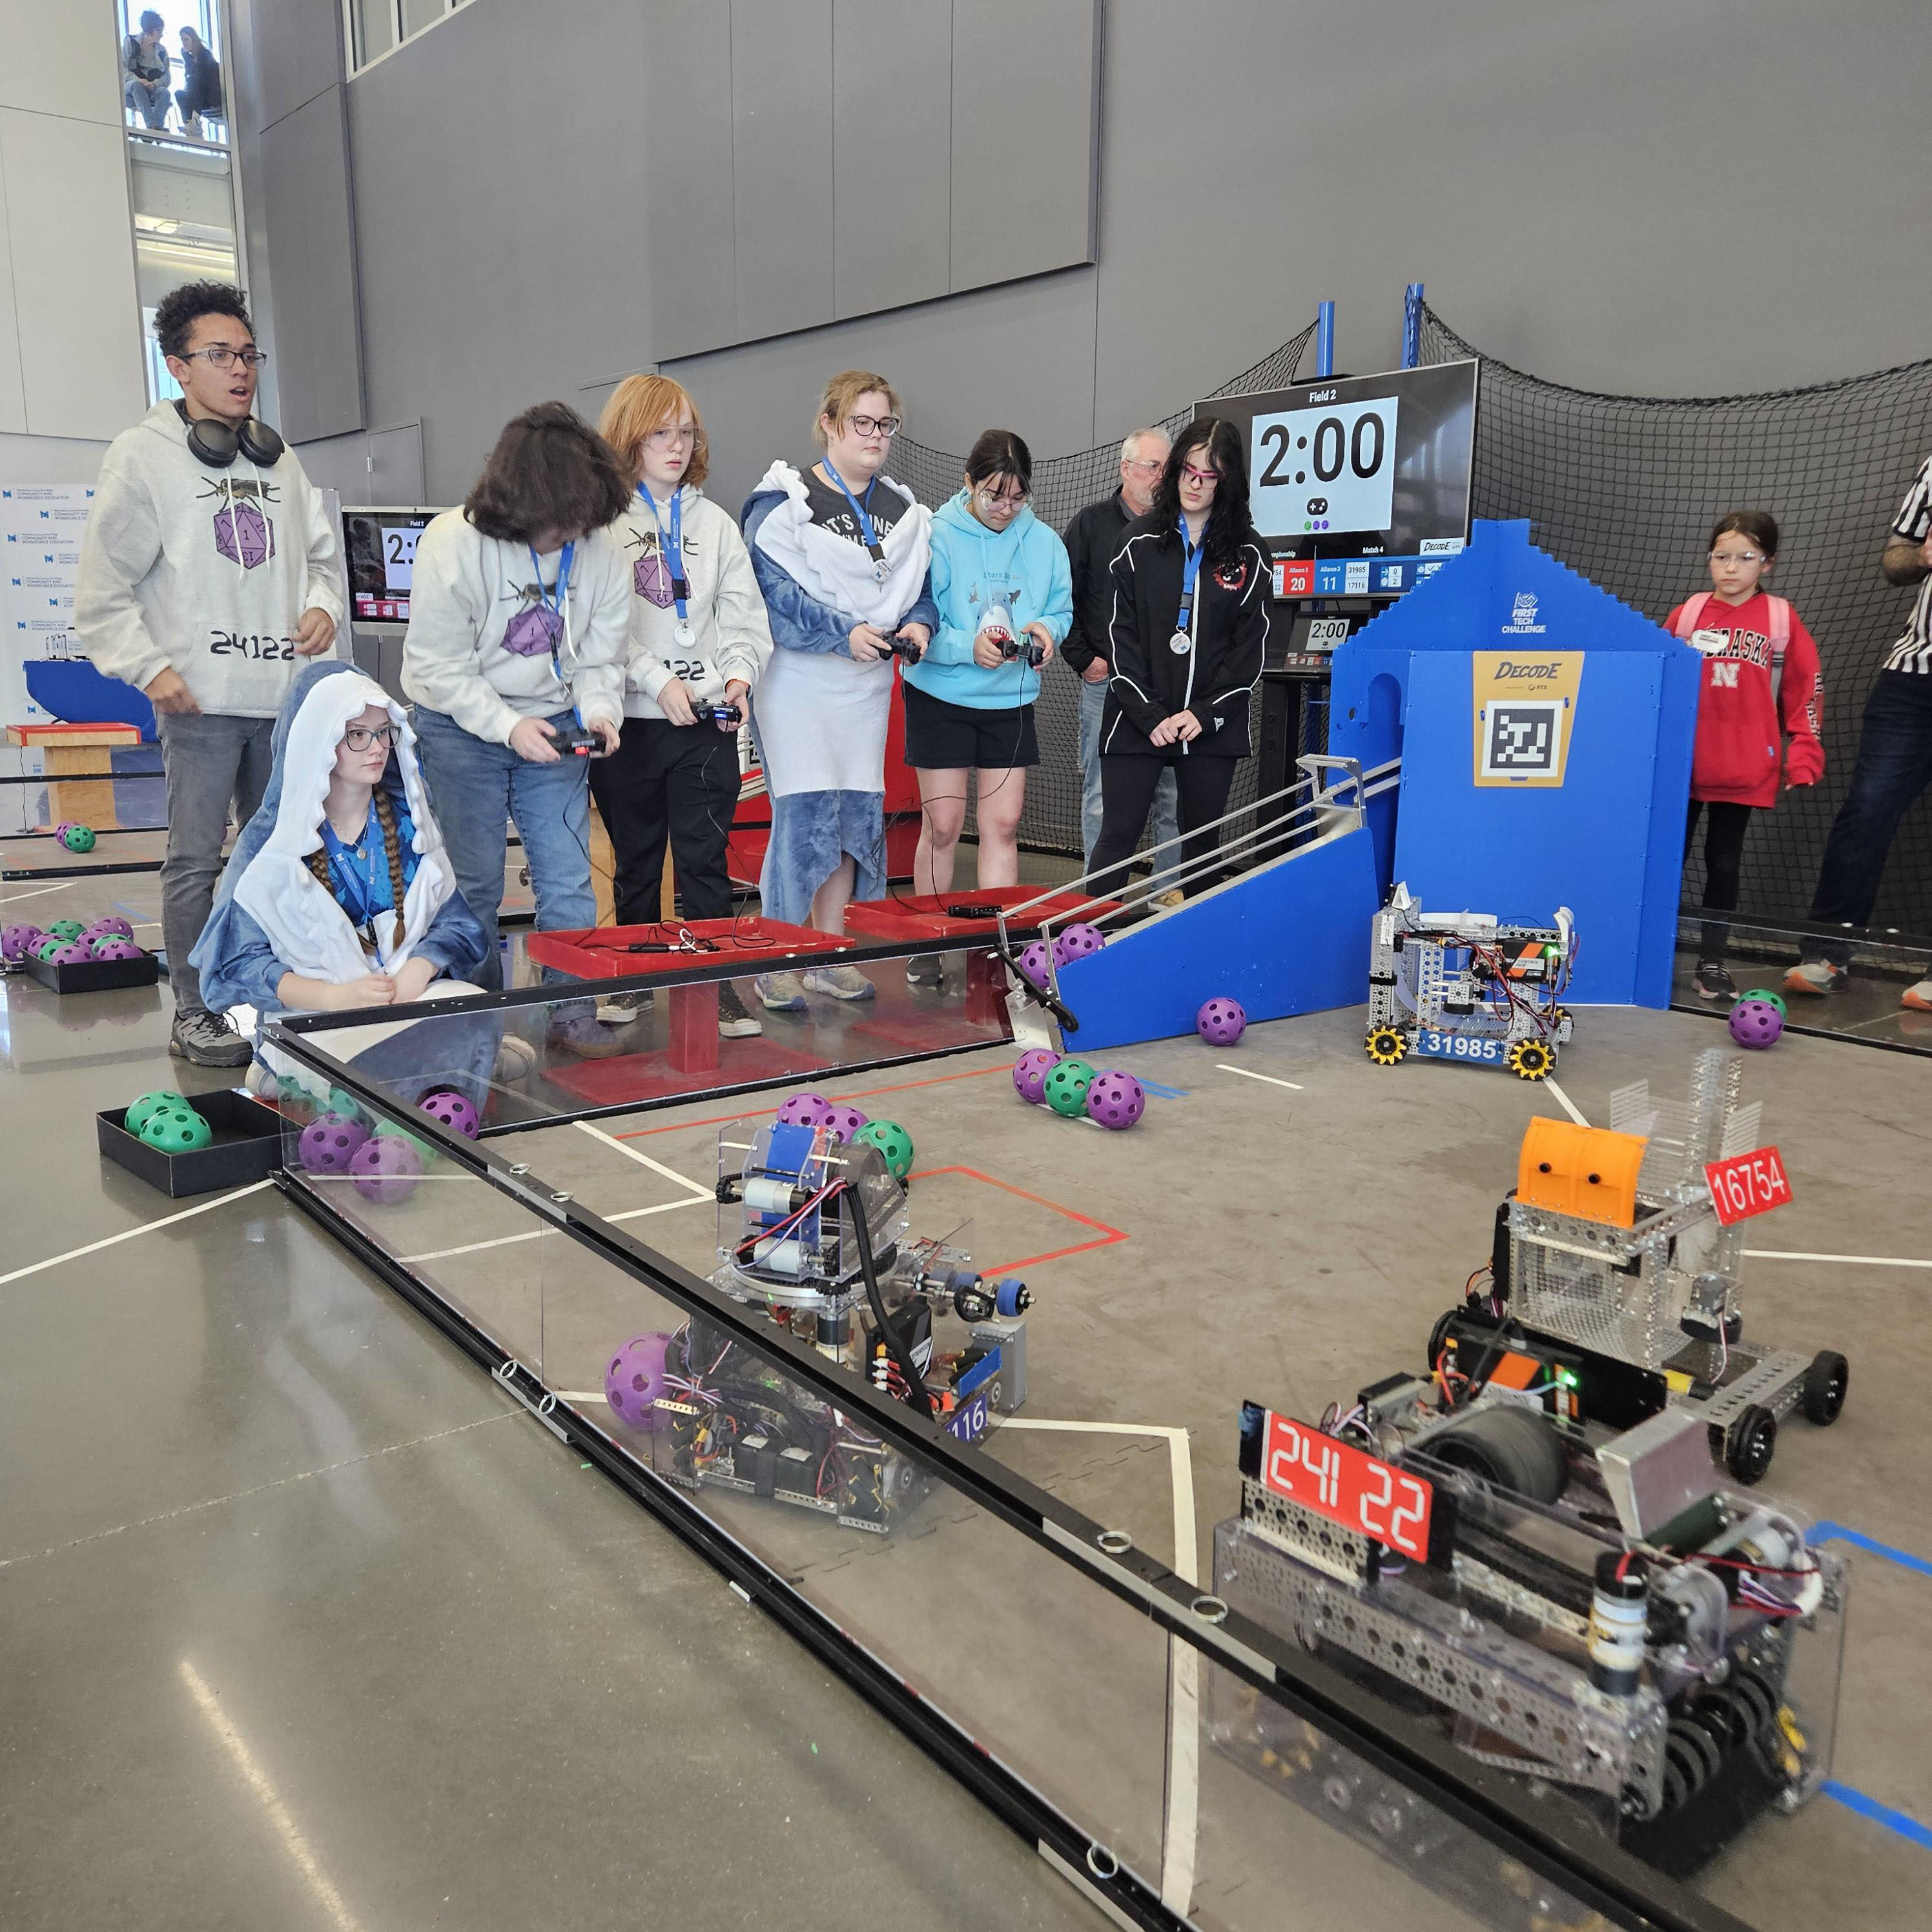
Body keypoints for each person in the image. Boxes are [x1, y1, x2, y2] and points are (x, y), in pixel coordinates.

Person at [76, 280, 343, 1066]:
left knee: (283, 858)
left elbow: (321, 562)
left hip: (283, 700)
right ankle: (196, 1011)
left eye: (249, 354)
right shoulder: (142, 456)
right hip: (199, 702)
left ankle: (274, 996)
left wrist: (323, 606)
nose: (240, 370)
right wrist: (148, 666)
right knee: (196, 860)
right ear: (178, 366)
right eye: (220, 355)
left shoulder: (280, 459)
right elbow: (102, 586)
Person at [401, 402, 633, 1058]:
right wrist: (506, 726)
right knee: (472, 884)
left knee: (568, 880)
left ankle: (571, 1010)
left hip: (556, 724)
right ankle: (475, 1024)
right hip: (459, 727)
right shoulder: (451, 544)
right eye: (561, 523)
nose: (573, 535)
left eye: (583, 521)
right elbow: (439, 667)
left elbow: (601, 657)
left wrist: (600, 712)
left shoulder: (603, 550)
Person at [190, 661, 499, 1104]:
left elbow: (458, 925)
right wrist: (339, 997)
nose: (376, 748)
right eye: (357, 734)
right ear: (320, 740)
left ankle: (436, 1070)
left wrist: (419, 968)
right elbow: (239, 965)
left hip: (404, 998)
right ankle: (286, 1067)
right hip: (319, 1013)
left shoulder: (411, 825)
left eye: (383, 732)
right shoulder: (273, 849)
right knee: (378, 1066)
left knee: (475, 1009)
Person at [742, 371, 938, 1012]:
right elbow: (774, 596)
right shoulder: (783, 503)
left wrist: (919, 624)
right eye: (862, 422)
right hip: (798, 683)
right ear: (829, 423)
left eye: (886, 424)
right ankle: (777, 956)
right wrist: (840, 633)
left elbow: (922, 591)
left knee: (854, 816)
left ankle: (830, 955)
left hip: (865, 687)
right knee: (804, 815)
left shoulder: (903, 512)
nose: (876, 436)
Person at [593, 375, 772, 1038]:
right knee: (637, 860)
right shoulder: (603, 525)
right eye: (660, 433)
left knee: (704, 861)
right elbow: (599, 626)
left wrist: (739, 676)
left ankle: (711, 987)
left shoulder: (715, 523)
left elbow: (743, 615)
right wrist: (653, 679)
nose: (677, 446)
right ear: (629, 439)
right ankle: (637, 982)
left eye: (686, 432)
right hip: (633, 724)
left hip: (705, 723)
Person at [901, 429, 1069, 983]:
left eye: (1017, 497)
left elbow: (1061, 610)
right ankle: (927, 942)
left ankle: (998, 949)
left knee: (1004, 823)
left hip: (1009, 701)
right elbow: (918, 616)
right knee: (944, 826)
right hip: (940, 697)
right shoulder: (936, 534)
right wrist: (963, 647)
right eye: (993, 495)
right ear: (968, 482)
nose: (1005, 508)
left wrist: (1046, 633)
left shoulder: (1044, 542)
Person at [1087, 416, 1269, 903]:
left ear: (1228, 480)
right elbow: (1119, 637)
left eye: (1210, 475)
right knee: (1117, 838)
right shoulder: (1135, 543)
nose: (1195, 484)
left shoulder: (1250, 553)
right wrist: (1149, 714)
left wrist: (1205, 714)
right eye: (1189, 470)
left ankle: (1197, 947)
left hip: (1210, 724)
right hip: (1136, 717)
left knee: (1202, 848)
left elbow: (1249, 650)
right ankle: (1084, 942)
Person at [1787, 453, 1932, 1008]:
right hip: (1912, 677)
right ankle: (1826, 955)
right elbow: (1896, 558)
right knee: (1866, 812)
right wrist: (1922, 556)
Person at [1663, 513, 1823, 1002]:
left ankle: (1711, 961)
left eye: (1746, 557)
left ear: (1767, 563)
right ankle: (1649, 952)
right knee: (1666, 860)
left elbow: (1805, 690)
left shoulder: (1779, 619)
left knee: (1724, 863)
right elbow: (1653, 681)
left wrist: (1804, 754)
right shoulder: (1687, 615)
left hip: (1743, 766)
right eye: (1722, 556)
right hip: (1682, 764)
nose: (1731, 567)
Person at [1062, 428, 1182, 899]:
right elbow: (1061, 597)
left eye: (1167, 468)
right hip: (1106, 686)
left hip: (1169, 691)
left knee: (1173, 797)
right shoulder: (1091, 525)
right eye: (1152, 467)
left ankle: (1170, 897)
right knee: (1101, 796)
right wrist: (1083, 659)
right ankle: (1099, 904)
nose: (1161, 477)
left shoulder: (1182, 528)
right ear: (1125, 469)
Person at [123, 12, 170, 130]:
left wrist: (155, 84)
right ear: (151, 30)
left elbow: (166, 78)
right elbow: (122, 68)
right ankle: (151, 125)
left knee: (165, 93)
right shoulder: (131, 42)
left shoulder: (162, 51)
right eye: (159, 31)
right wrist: (139, 80)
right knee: (137, 86)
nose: (161, 34)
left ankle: (157, 127)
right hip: (131, 84)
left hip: (152, 86)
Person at [175, 25, 223, 139]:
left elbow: (198, 75)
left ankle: (195, 122)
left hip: (210, 95)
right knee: (179, 94)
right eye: (182, 40)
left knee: (194, 80)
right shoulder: (191, 59)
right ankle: (190, 125)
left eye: (186, 39)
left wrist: (186, 57)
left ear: (194, 40)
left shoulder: (205, 54)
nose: (184, 43)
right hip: (198, 96)